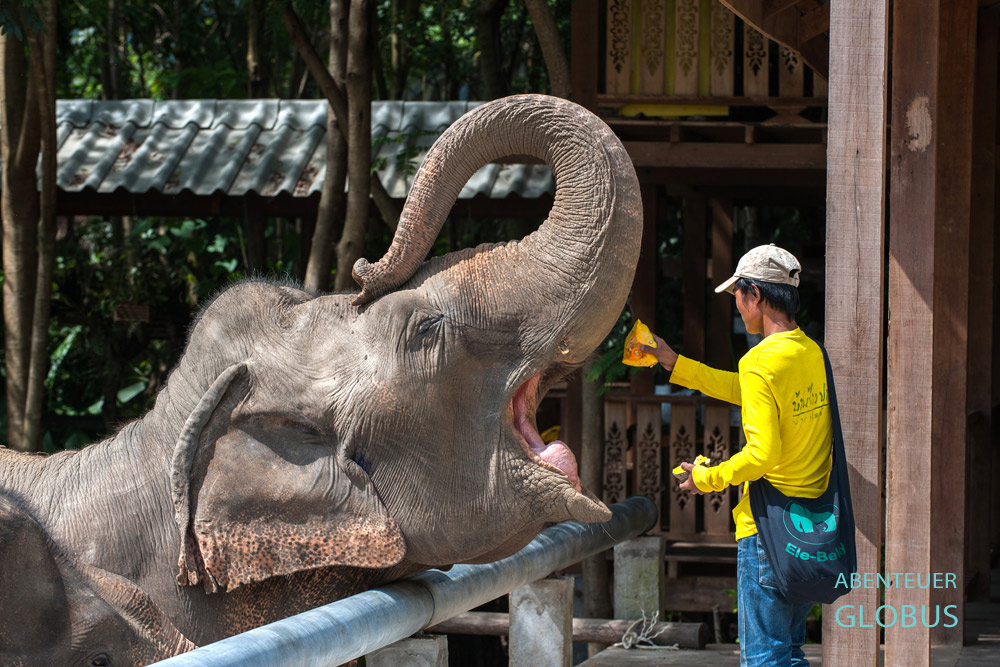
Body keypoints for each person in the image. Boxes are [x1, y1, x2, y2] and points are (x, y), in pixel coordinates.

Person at [641, 243, 831, 667]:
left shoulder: (760, 361)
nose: (738, 308)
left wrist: (710, 477)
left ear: (755, 295)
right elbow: (746, 390)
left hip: (768, 531)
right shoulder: (810, 353)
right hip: (811, 530)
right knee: (790, 652)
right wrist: (674, 363)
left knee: (764, 659)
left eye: (737, 297)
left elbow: (762, 455)